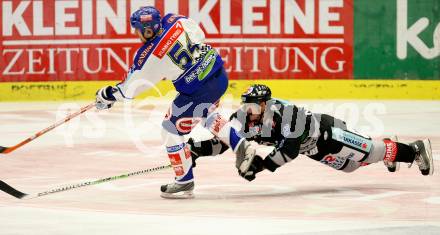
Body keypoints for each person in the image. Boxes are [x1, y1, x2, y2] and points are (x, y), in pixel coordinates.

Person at [95, 6, 257, 198]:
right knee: (207, 115)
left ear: (147, 30)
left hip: (197, 91)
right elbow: (199, 35)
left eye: (137, 29)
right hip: (219, 76)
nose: (136, 33)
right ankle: (241, 145)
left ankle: (184, 181)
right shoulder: (176, 20)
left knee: (170, 129)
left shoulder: (148, 56)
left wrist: (107, 95)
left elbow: (129, 89)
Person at [189, 84, 434, 181]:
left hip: (330, 134)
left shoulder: (285, 113)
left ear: (265, 103)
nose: (248, 110)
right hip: (313, 150)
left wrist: (260, 166)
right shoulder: (244, 118)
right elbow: (227, 142)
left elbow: (289, 150)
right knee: (352, 167)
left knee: (371, 153)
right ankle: (388, 148)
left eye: (252, 105)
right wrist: (199, 149)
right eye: (245, 105)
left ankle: (414, 150)